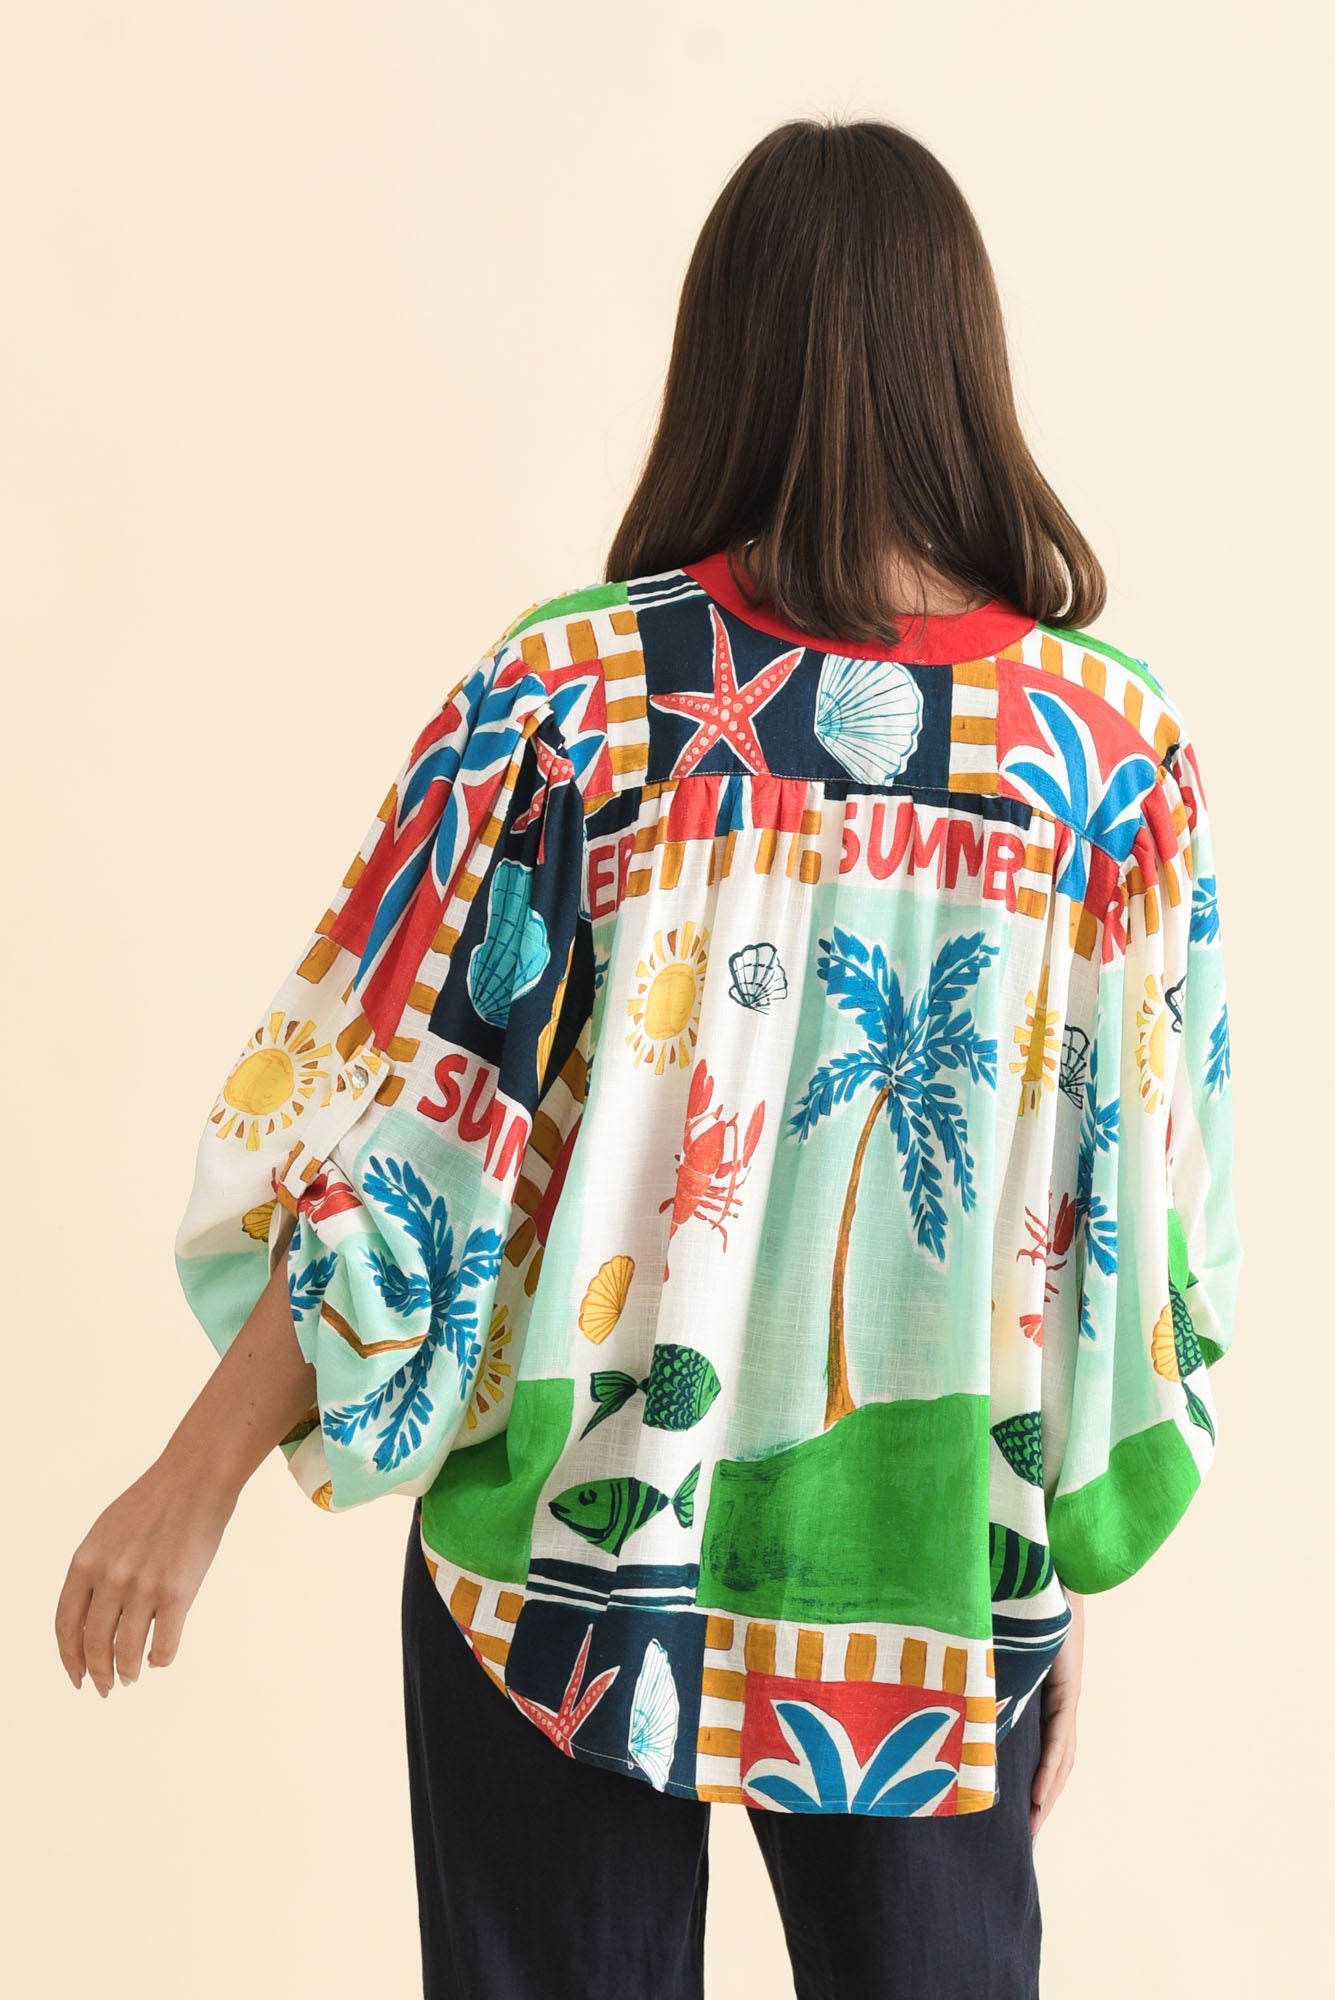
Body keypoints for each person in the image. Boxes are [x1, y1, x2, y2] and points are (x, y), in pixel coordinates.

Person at [54, 117, 1241, 2000]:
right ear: (963, 362)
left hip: (557, 1570)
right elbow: (1128, 1248)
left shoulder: (574, 704)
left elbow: (408, 1143)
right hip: (929, 1600)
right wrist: (1037, 1555)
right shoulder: (1109, 762)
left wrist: (191, 1484)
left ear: (726, 356)